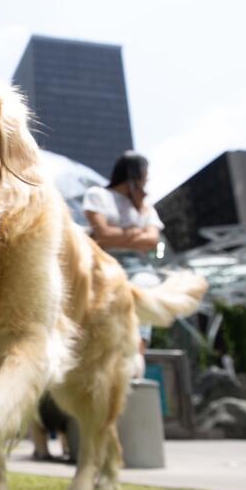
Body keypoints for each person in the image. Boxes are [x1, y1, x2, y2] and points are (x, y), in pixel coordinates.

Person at [83, 151, 164, 364]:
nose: (147, 180)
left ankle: (138, 354)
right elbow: (103, 234)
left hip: (140, 267)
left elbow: (152, 241)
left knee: (142, 292)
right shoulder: (98, 195)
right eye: (145, 174)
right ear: (135, 173)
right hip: (104, 261)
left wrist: (117, 235)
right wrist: (137, 232)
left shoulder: (146, 206)